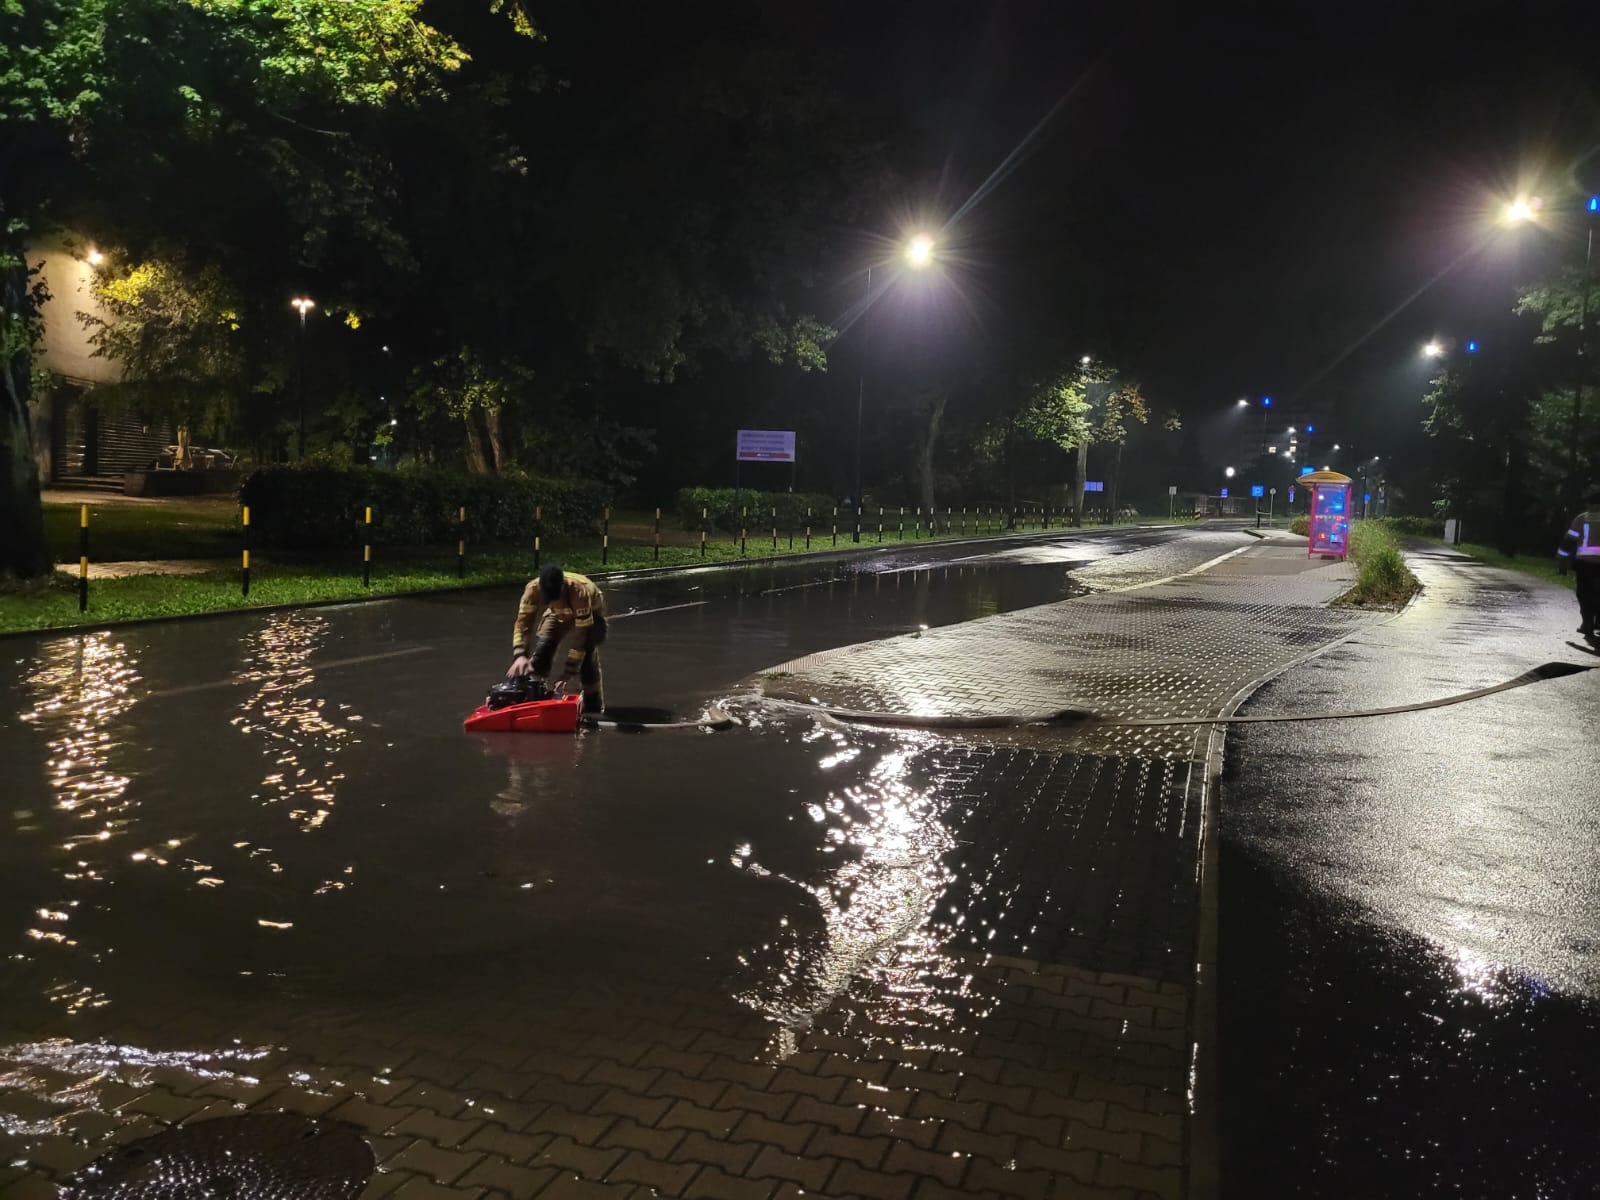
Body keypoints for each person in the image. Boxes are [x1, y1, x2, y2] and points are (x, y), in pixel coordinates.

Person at [508, 564, 607, 713]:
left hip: (590, 614)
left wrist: (569, 670)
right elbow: (523, 623)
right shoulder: (532, 590)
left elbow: (581, 636)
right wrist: (520, 655)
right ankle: (534, 695)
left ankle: (593, 706)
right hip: (556, 613)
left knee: (587, 657)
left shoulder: (579, 592)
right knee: (543, 648)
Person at [1557, 487, 1600, 641]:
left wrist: (1562, 558)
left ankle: (1587, 623)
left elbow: (1569, 541)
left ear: (1589, 503)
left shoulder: (1582, 518)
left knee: (1584, 593)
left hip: (1585, 563)